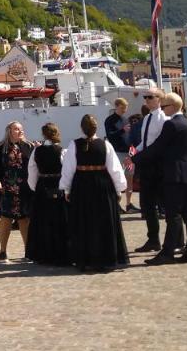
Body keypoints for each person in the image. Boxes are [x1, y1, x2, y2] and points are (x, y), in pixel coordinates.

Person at [133, 93, 187, 265]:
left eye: (164, 106)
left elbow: (157, 147)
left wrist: (135, 158)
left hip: (174, 174)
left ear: (171, 106)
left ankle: (168, 252)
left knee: (173, 215)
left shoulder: (171, 124)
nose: (162, 109)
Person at [60, 114, 129, 272]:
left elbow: (68, 169)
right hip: (102, 185)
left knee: (84, 222)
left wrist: (67, 188)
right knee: (104, 222)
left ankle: (87, 259)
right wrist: (119, 189)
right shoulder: (105, 145)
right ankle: (107, 258)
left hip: (82, 186)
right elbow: (115, 169)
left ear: (81, 128)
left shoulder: (74, 145)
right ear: (96, 127)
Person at [0, 121, 34, 262]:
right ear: (9, 131)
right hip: (5, 189)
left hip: (24, 189)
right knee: (6, 219)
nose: (20, 131)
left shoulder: (29, 147)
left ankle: (28, 251)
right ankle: (3, 251)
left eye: (21, 129)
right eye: (16, 129)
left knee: (25, 219)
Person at [129, 89, 169, 253]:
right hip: (145, 163)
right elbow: (145, 142)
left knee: (164, 203)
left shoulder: (162, 118)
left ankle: (175, 239)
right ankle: (153, 239)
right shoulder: (147, 118)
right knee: (146, 204)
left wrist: (138, 156)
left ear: (159, 99)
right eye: (145, 97)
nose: (146, 100)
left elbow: (158, 145)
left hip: (156, 165)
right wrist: (134, 153)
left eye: (150, 97)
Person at [25, 122, 68, 266]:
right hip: (58, 185)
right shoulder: (62, 151)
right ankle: (61, 254)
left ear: (44, 134)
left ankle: (42, 254)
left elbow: (32, 172)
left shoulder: (37, 151)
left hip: (42, 187)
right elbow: (67, 172)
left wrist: (34, 188)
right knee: (60, 221)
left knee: (42, 221)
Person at [104, 98, 136, 213]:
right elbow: (110, 135)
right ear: (116, 106)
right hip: (117, 152)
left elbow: (130, 135)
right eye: (122, 107)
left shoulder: (125, 119)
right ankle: (116, 204)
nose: (124, 110)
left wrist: (133, 150)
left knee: (130, 178)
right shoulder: (110, 120)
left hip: (129, 153)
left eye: (126, 108)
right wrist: (122, 130)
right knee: (117, 179)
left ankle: (129, 204)